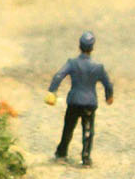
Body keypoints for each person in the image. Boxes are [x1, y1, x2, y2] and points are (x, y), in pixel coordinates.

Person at [46, 32, 112, 166]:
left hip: (74, 101)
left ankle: (61, 152)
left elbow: (59, 76)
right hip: (89, 102)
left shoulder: (72, 63)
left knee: (68, 127)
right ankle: (86, 158)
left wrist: (52, 91)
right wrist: (108, 96)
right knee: (88, 129)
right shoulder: (97, 67)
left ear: (79, 46)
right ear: (92, 48)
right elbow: (107, 83)